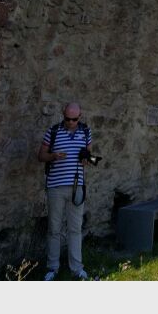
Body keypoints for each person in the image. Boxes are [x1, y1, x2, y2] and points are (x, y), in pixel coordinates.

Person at [38, 102, 92, 281]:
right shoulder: (53, 131)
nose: (70, 122)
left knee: (75, 229)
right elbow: (41, 156)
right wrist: (53, 156)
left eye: (74, 119)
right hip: (55, 187)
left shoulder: (86, 132)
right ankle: (52, 268)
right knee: (54, 229)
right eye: (67, 119)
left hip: (77, 187)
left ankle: (77, 269)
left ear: (80, 116)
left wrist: (87, 158)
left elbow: (90, 157)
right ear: (63, 115)